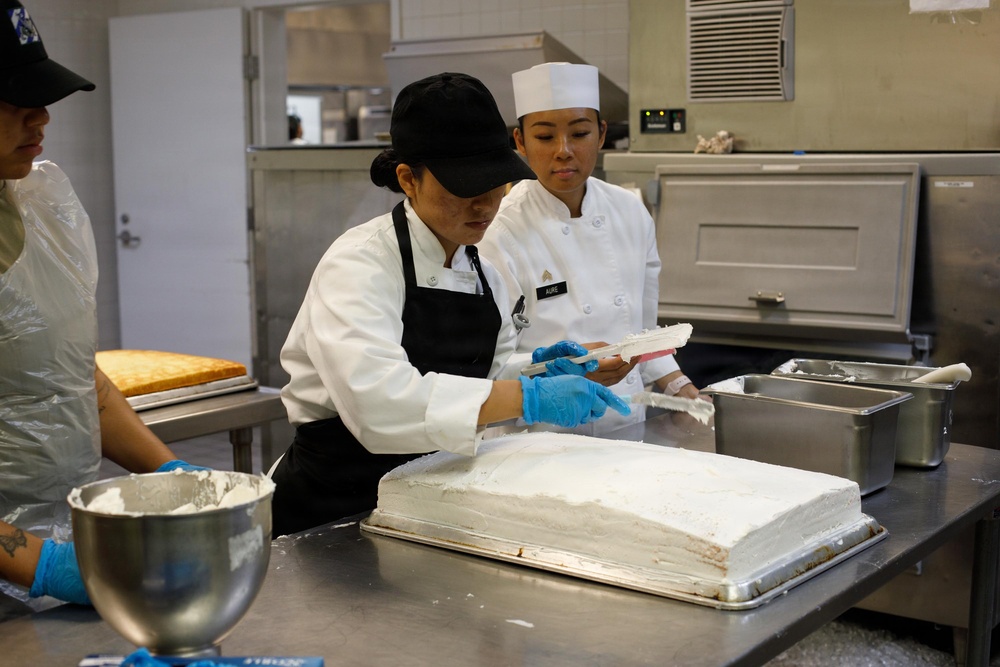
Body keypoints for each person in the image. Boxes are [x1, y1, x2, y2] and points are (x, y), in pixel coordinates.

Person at [269, 72, 630, 536]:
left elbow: (479, 380)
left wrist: (538, 372)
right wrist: (529, 397)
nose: (484, 206)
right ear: (408, 180)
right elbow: (378, 403)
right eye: (464, 188)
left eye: (496, 184)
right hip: (324, 513)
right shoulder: (359, 264)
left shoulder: (486, 274)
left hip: (425, 501)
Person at [0, 0, 204, 613]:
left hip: (62, 547)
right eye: (14, 102)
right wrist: (48, 567)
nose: (42, 119)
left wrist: (173, 478)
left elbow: (70, 375)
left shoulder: (37, 202)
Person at [478, 62, 701, 436]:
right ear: (520, 142)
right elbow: (491, 363)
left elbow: (641, 330)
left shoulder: (630, 211)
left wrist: (678, 385)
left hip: (627, 423)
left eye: (579, 133)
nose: (564, 152)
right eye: (545, 137)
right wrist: (557, 370)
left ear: (600, 134)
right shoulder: (500, 231)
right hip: (541, 435)